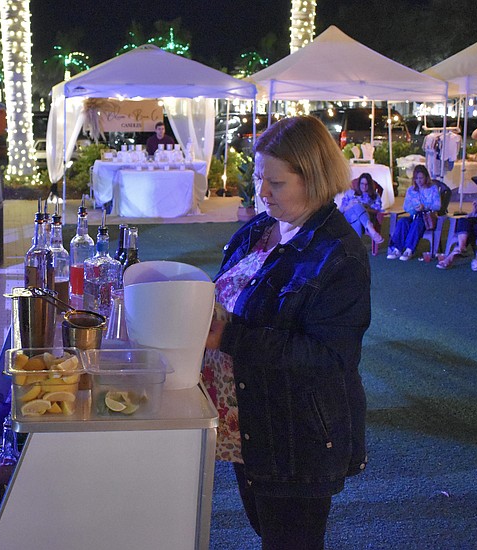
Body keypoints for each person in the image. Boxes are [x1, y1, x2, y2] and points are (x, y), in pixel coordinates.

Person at [203, 115, 369, 550]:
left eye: (274, 183)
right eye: (259, 177)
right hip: (249, 419)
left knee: (289, 541)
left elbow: (330, 358)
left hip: (295, 434)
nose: (261, 192)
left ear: (313, 179)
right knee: (268, 528)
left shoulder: (339, 255)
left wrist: (229, 337)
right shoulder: (263, 227)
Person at [386, 164, 441, 261]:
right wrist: (414, 208)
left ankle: (409, 249)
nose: (419, 181)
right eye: (416, 178)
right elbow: (406, 206)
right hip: (414, 214)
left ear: (426, 177)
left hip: (427, 217)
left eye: (421, 178)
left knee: (417, 223)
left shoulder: (433, 189)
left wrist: (425, 207)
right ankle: (397, 248)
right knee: (403, 221)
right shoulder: (411, 190)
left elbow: (438, 205)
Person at [437, 197, 477, 271]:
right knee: (463, 220)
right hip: (475, 219)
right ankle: (461, 247)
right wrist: (476, 208)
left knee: (474, 228)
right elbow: (473, 215)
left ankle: (454, 253)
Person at [339, 172, 384, 243]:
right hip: (348, 216)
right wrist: (349, 206)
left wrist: (365, 208)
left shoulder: (375, 195)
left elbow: (378, 209)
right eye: (362, 184)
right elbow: (341, 210)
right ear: (359, 184)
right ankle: (370, 228)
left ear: (370, 185)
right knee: (356, 204)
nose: (364, 186)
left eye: (367, 184)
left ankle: (355, 245)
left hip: (364, 216)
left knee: (357, 219)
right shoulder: (350, 193)